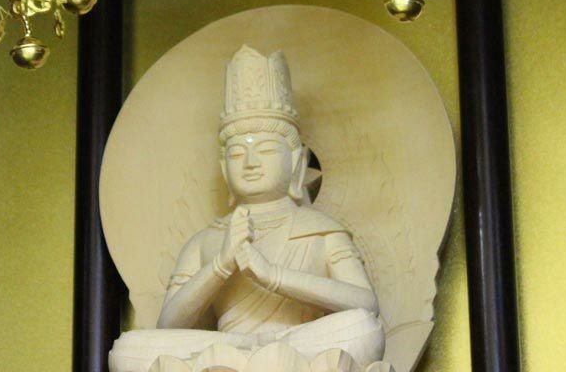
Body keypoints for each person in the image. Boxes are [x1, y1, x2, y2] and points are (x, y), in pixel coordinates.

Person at [109, 45, 385, 372]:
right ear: (224, 169)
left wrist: (271, 275)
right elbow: (169, 323)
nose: (251, 163)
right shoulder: (206, 241)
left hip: (301, 342)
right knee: (126, 348)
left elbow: (365, 304)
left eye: (266, 150)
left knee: (362, 328)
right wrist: (221, 265)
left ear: (296, 160)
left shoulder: (321, 230)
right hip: (226, 346)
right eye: (238, 153)